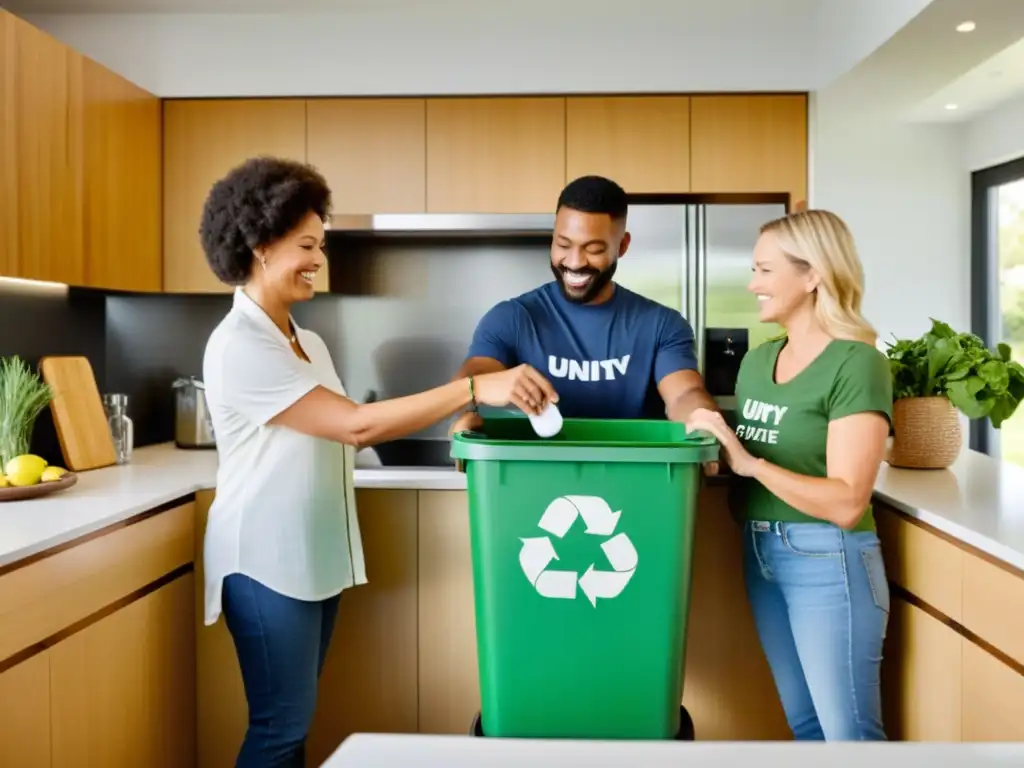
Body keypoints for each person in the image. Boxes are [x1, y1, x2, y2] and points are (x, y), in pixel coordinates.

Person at [198, 156, 558, 768]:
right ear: (260, 246)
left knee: (294, 723)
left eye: (321, 244)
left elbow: (339, 426)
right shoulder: (239, 345)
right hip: (263, 562)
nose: (319, 259)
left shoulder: (301, 339)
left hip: (310, 556)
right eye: (306, 245)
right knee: (278, 728)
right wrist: (475, 390)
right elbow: (356, 427)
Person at [686, 209, 892, 741]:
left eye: (764, 270)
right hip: (760, 551)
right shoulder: (759, 360)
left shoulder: (857, 363)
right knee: (805, 728)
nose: (752, 284)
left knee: (850, 737)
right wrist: (710, 443)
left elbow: (848, 501)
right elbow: (747, 452)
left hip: (828, 558)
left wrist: (748, 462)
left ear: (813, 274)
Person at [449, 174, 719, 445]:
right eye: (563, 245)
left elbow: (684, 394)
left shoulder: (662, 325)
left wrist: (702, 422)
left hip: (635, 478)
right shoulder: (512, 318)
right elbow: (473, 379)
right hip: (534, 477)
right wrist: (466, 414)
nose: (575, 262)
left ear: (622, 246)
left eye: (593, 249)